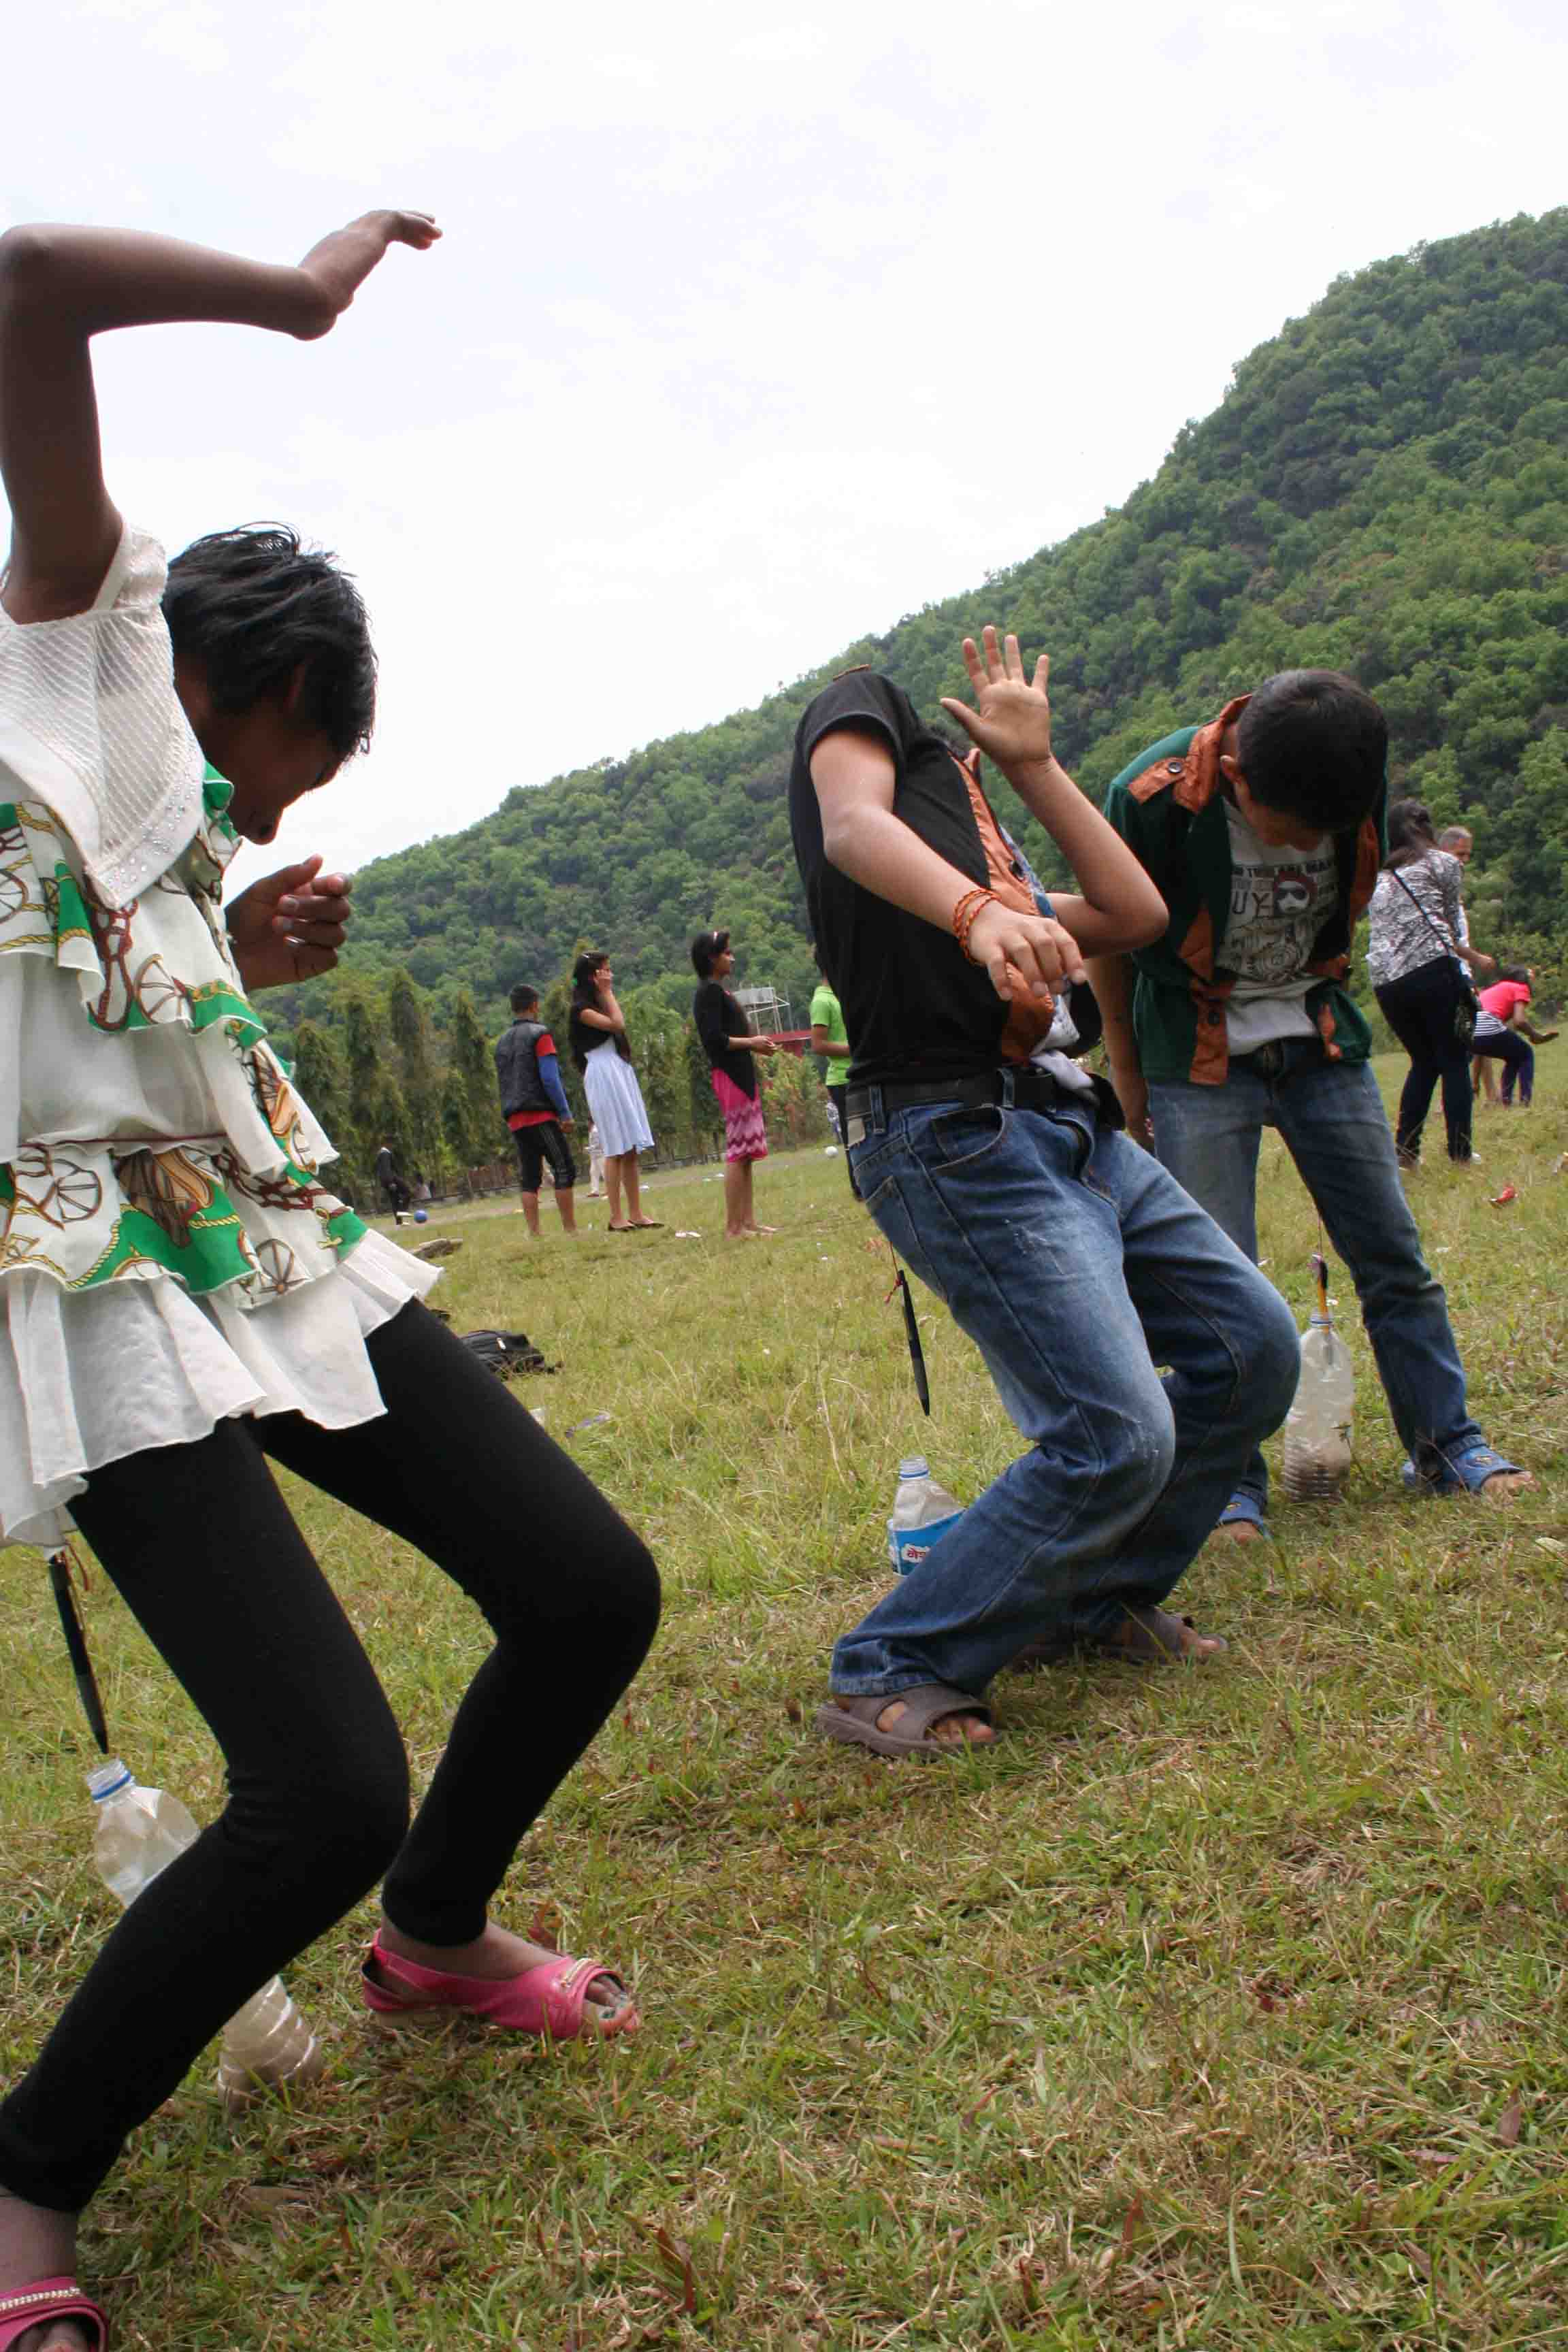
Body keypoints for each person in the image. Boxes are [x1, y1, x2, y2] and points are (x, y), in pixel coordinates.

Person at [0, 210, 660, 2352]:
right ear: (262, 691)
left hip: (256, 1234)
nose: (285, 809)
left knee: (586, 1588)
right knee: (320, 1787)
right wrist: (292, 300)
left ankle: (431, 1938)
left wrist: (242, 954)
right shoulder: (82, 642)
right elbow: (23, 276)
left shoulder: (153, 813)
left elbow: (104, 985)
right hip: (102, 1278)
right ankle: (26, 2176)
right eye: (302, 760)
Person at [789, 629, 1302, 1761]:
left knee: (1253, 1351)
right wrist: (976, 915)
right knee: (1114, 1433)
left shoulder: (989, 846)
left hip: (1066, 1120)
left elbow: (1133, 917)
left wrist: (1031, 766)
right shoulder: (864, 710)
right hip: (952, 1133)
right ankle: (892, 1662)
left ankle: (1091, 1597)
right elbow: (851, 825)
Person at [1094, 670, 1531, 1544]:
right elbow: (1107, 934)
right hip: (1197, 1053)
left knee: (1394, 1257)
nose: (1307, 846)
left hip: (1322, 1040)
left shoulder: (1347, 769)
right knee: (1219, 1286)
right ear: (1238, 778)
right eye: (1290, 830)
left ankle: (1446, 1445)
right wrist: (1129, 1076)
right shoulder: (1149, 799)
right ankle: (1226, 1487)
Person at [1367, 798, 1488, 1166]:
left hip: (1387, 982)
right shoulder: (1443, 863)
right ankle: (1460, 1152)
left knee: (1423, 1062)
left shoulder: (1377, 878)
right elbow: (1452, 923)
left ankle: (1406, 1151)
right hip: (1433, 968)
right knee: (1454, 1060)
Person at [691, 929, 779, 1237]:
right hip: (730, 1076)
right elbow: (714, 1039)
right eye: (726, 953)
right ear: (711, 958)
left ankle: (748, 1222)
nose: (732, 958)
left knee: (748, 1153)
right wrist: (752, 1042)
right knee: (738, 1151)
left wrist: (754, 1046)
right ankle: (734, 1227)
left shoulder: (719, 991)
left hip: (741, 1074)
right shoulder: (708, 993)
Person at [566, 951, 660, 1230]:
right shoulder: (581, 1009)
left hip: (619, 1068)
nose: (610, 975)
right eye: (604, 971)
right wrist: (607, 992)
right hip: (602, 1072)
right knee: (614, 1147)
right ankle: (616, 1217)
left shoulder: (602, 1003)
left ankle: (636, 1213)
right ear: (592, 976)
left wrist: (606, 994)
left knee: (630, 1147)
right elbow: (618, 1025)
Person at [494, 983, 578, 1237]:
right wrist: (564, 1112)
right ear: (534, 1005)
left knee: (530, 1177)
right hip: (540, 1114)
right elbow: (550, 1078)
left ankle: (535, 1233)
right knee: (564, 1168)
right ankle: (570, 1229)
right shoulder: (540, 1035)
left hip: (515, 1118)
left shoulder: (501, 1042)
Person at [808, 949, 861, 1200]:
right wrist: (855, 1049)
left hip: (857, 1073)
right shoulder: (822, 1000)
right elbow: (818, 1045)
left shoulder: (841, 994)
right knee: (854, 1136)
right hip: (842, 1078)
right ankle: (859, 1188)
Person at [1472, 965, 1557, 1106]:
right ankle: (1525, 1101)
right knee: (1526, 1053)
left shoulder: (1490, 990)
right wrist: (1536, 1036)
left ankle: (1506, 1102)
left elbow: (1480, 1046)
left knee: (1513, 1057)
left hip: (1470, 1032)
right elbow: (1519, 1021)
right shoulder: (1520, 987)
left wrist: (1475, 1082)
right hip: (1488, 1024)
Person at [375, 1135, 412, 1225]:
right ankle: (402, 1210)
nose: (393, 1146)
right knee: (407, 1192)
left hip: (385, 1180)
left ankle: (399, 1222)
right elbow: (386, 1168)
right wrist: (391, 1182)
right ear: (386, 1143)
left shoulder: (381, 1153)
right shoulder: (385, 1154)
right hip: (391, 1179)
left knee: (395, 1200)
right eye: (392, 1143)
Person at [586, 1121, 606, 1198]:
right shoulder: (591, 1131)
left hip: (600, 1155)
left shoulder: (595, 1131)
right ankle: (595, 1191)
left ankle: (609, 1189)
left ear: (590, 1122)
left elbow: (598, 1144)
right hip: (594, 1156)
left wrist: (589, 1148)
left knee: (604, 1172)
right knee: (593, 1172)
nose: (586, 1124)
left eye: (587, 1122)